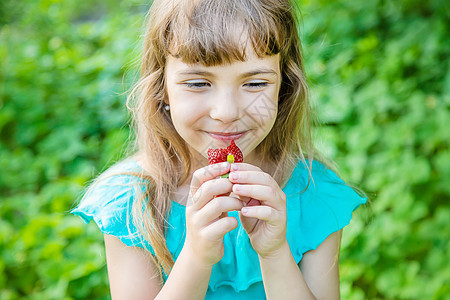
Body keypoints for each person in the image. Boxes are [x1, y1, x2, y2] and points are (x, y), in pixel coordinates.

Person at [71, 0, 367, 299]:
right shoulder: (132, 202)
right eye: (199, 83)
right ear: (162, 87)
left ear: (284, 87)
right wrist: (196, 258)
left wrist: (275, 253)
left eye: (254, 83)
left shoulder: (313, 196)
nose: (226, 112)